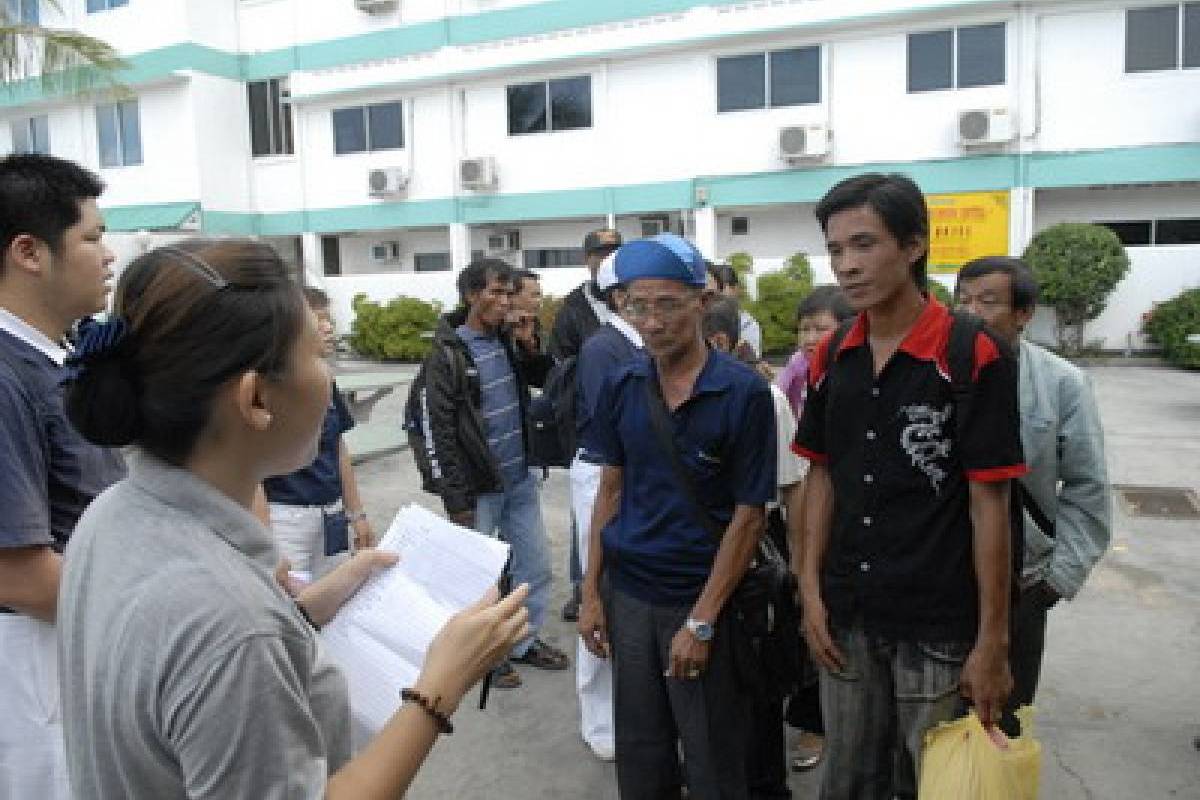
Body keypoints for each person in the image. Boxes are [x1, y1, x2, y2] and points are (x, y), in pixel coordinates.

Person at [56, 238, 530, 798]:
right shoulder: (232, 624)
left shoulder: (112, 514)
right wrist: (440, 685)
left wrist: (304, 609)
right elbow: (224, 641)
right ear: (256, 399)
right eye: (317, 356)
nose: (328, 378)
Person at [793, 173, 1026, 799]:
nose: (846, 266)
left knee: (936, 783)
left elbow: (990, 503)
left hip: (940, 623)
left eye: (864, 244)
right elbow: (820, 477)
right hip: (846, 616)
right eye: (836, 250)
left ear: (915, 244)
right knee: (849, 779)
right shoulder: (831, 355)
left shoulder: (973, 353)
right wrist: (810, 591)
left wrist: (993, 641)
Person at [578, 233, 777, 800]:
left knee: (714, 753)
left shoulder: (742, 393)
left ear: (701, 302)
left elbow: (749, 517)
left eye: (668, 304)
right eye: (638, 306)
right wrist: (593, 593)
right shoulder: (623, 384)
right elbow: (608, 492)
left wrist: (702, 621)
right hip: (630, 597)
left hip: (701, 599)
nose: (653, 320)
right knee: (642, 751)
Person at [0, 153, 127, 800]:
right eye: (92, 237)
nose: (108, 255)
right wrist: (156, 611)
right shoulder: (5, 377)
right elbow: (18, 574)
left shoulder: (57, 359)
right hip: (39, 663)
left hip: (83, 639)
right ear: (29, 252)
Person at [955, 255, 1112, 728]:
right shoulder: (930, 372)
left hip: (1021, 581)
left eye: (987, 301)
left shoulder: (1063, 384)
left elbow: (1087, 487)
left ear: (1023, 314)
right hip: (935, 577)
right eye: (961, 301)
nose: (969, 313)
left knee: (999, 718)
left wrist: (1053, 583)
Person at [420, 258, 567, 689]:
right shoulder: (447, 354)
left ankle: (522, 642)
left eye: (509, 293)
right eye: (495, 293)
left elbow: (547, 378)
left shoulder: (507, 340)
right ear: (470, 295)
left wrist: (529, 343)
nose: (503, 302)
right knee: (479, 579)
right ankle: (485, 657)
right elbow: (441, 430)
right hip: (479, 488)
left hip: (519, 478)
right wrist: (456, 500)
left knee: (535, 566)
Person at [703, 295, 805, 799]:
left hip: (750, 569)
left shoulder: (764, 398)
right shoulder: (655, 389)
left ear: (718, 342)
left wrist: (803, 574)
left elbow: (787, 494)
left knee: (753, 690)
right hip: (684, 568)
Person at [570, 252, 644, 761]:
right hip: (604, 476)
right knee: (596, 588)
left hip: (630, 476)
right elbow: (610, 430)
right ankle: (599, 720)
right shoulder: (605, 349)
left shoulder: (636, 343)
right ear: (620, 297)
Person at [263, 286, 373, 580]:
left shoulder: (324, 379)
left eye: (329, 320)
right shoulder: (267, 387)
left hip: (331, 515)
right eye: (317, 320)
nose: (327, 328)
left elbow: (338, 447)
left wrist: (356, 515)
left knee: (337, 604)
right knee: (294, 610)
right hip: (286, 518)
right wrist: (262, 540)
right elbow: (250, 470)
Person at [550, 228, 622, 622]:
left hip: (623, 427)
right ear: (587, 259)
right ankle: (584, 588)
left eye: (614, 250)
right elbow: (557, 361)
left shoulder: (630, 297)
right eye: (600, 251)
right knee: (587, 515)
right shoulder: (573, 307)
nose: (606, 257)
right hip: (586, 429)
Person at [776, 285, 854, 420]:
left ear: (847, 329)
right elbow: (777, 395)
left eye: (821, 329)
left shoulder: (854, 368)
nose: (810, 339)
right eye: (805, 329)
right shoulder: (798, 363)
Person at [713, 263, 763, 358]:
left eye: (721, 288)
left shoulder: (748, 325)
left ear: (735, 288)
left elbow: (750, 365)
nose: (716, 295)